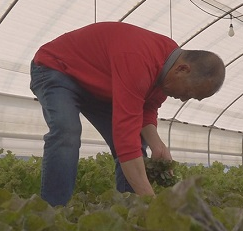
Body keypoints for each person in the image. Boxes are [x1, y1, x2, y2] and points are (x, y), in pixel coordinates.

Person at [30, 22, 225, 206]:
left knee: (137, 144)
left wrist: (157, 145)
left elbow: (146, 109)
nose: (183, 99)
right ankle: (53, 209)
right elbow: (125, 134)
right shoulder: (138, 58)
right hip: (56, 68)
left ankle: (131, 210)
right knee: (67, 132)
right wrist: (151, 201)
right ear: (183, 69)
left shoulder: (167, 70)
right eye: (189, 92)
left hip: (97, 85)